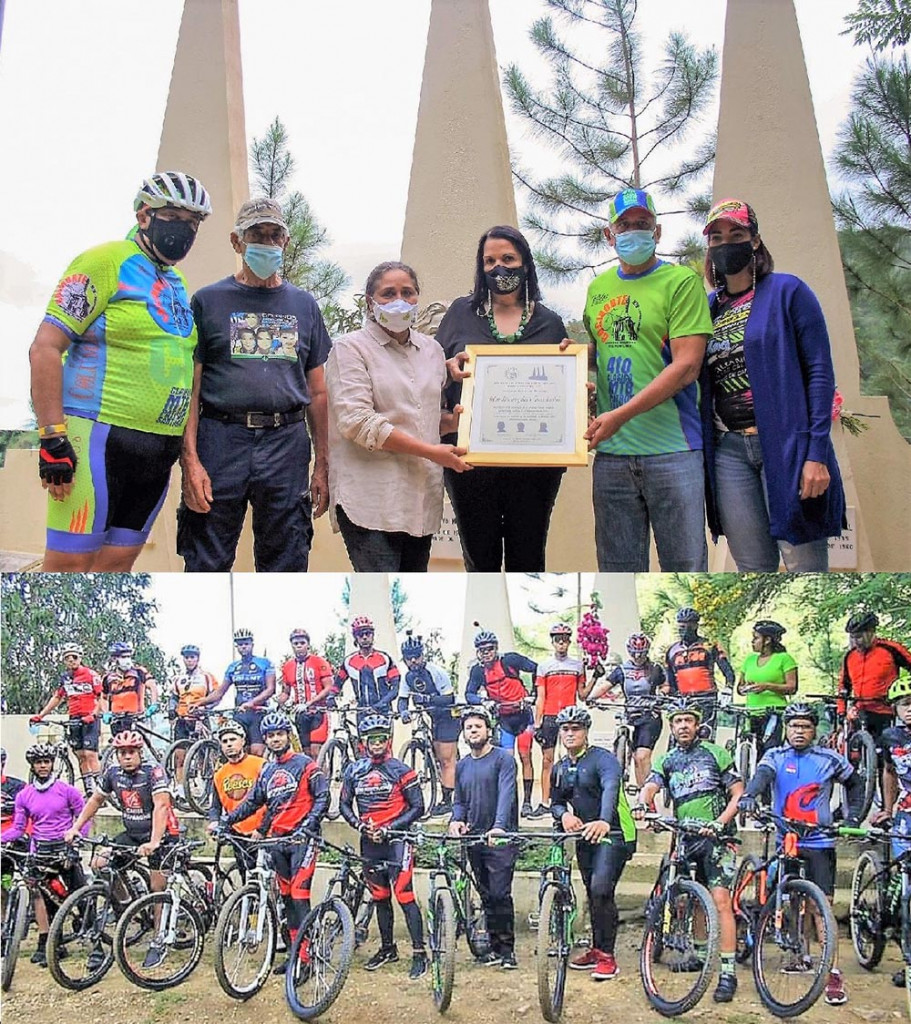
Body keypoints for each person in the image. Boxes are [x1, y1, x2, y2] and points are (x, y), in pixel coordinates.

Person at [29, 171, 211, 572]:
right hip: (98, 437)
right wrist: (52, 437)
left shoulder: (176, 281)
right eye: (174, 218)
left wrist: (186, 455)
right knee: (69, 568)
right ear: (145, 215)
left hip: (156, 450)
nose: (184, 231)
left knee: (118, 567)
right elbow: (45, 348)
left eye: (192, 224)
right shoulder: (104, 261)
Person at [178, 197, 331, 572]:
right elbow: (190, 390)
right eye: (256, 235)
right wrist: (190, 462)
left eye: (274, 234)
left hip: (286, 443)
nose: (266, 242)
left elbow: (318, 391)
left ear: (286, 242)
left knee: (287, 559)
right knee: (206, 560)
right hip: (221, 440)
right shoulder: (207, 301)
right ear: (237, 241)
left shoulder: (304, 305)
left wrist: (322, 464)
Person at [700, 199, 845, 571]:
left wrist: (816, 453)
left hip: (787, 447)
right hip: (729, 452)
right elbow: (669, 361)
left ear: (755, 241)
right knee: (751, 567)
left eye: (737, 234)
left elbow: (819, 373)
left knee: (804, 564)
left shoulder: (788, 292)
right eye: (716, 237)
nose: (725, 243)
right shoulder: (707, 309)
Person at [583, 188, 712, 572]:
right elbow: (606, 351)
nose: (633, 231)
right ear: (610, 234)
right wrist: (567, 361)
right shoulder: (598, 288)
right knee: (617, 571)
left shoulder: (681, 283)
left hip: (673, 451)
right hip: (612, 457)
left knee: (685, 569)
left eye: (643, 224)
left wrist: (620, 414)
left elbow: (687, 365)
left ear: (657, 232)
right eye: (625, 224)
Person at [438, 225, 569, 571]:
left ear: (525, 264)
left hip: (535, 464)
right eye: (490, 260)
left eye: (508, 258)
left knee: (528, 557)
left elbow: (564, 391)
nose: (499, 267)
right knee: (479, 557)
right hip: (470, 463)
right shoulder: (459, 314)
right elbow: (427, 374)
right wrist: (447, 368)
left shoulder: (550, 323)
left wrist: (572, 377)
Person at [326, 261, 471, 571]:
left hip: (419, 501)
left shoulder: (432, 351)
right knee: (382, 596)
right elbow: (357, 422)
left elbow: (426, 417)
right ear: (369, 301)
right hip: (370, 501)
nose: (399, 301)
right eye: (387, 293)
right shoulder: (349, 350)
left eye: (408, 292)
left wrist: (457, 422)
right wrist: (432, 451)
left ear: (418, 297)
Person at [738, 701, 866, 1006]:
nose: (799, 731)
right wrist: (750, 795)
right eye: (794, 725)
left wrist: (851, 818)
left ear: (814, 730)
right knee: (793, 900)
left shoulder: (829, 759)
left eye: (805, 726)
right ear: (786, 728)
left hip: (820, 841)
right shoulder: (775, 756)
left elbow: (856, 784)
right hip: (788, 839)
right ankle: (801, 955)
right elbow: (762, 777)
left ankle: (832, 972)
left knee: (822, 908)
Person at [636, 699, 744, 1003]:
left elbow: (738, 792)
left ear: (698, 726)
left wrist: (721, 823)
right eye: (678, 721)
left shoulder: (715, 753)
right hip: (685, 837)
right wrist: (645, 807)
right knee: (692, 899)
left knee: (720, 901)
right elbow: (650, 786)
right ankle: (698, 955)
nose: (683, 725)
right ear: (671, 727)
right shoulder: (667, 759)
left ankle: (727, 972)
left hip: (717, 838)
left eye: (688, 721)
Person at [219, 711, 328, 974]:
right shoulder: (267, 770)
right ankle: (295, 954)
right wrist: (226, 821)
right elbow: (255, 802)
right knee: (288, 900)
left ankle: (308, 959)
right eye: (270, 736)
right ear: (265, 739)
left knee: (300, 898)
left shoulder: (306, 765)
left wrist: (306, 827)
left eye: (280, 734)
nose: (275, 739)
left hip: (303, 840)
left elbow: (323, 798)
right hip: (278, 842)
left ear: (288, 736)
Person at [64, 730, 179, 967]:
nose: (127, 757)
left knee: (158, 888)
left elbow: (161, 806)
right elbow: (96, 800)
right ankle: (127, 904)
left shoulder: (153, 772)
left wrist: (155, 841)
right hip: (132, 833)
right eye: (122, 753)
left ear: (139, 753)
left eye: (131, 752)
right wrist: (75, 827)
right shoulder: (112, 773)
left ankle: (158, 939)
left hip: (161, 833)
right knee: (100, 864)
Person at [550, 705, 637, 981]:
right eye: (565, 729)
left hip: (615, 833)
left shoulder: (604, 759)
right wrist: (564, 816)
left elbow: (611, 788)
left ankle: (608, 957)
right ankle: (597, 949)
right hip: (586, 834)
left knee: (601, 888)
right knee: (592, 890)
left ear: (586, 731)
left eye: (576, 728)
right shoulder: (561, 767)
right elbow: (555, 802)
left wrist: (602, 820)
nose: (570, 733)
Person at [339, 713, 427, 979]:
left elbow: (418, 807)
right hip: (369, 841)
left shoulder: (402, 770)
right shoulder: (354, 770)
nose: (376, 743)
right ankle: (388, 949)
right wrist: (359, 825)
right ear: (363, 742)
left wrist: (390, 829)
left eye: (381, 738)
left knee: (404, 894)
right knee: (379, 897)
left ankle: (420, 952)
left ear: (388, 740)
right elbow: (344, 804)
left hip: (398, 841)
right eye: (371, 739)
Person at [448, 705, 520, 969]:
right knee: (486, 893)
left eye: (478, 726)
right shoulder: (463, 765)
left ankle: (507, 950)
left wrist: (500, 826)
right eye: (468, 728)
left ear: (489, 730)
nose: (473, 731)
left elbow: (506, 795)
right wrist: (456, 820)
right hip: (474, 838)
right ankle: (491, 946)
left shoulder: (503, 759)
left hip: (501, 838)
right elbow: (460, 801)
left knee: (501, 893)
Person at [1, 744, 87, 966]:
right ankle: (51, 945)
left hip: (65, 848)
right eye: (39, 762)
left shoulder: (67, 790)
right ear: (33, 765)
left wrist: (78, 839)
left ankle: (94, 943)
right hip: (40, 851)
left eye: (46, 762)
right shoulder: (24, 795)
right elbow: (19, 828)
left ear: (52, 764)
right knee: (46, 899)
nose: (42, 766)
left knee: (81, 895)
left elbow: (82, 816)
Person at [464, 628, 540, 818]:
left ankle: (528, 802)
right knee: (507, 760)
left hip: (523, 716)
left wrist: (533, 695)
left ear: (496, 648)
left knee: (525, 756)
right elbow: (469, 693)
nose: (486, 653)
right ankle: (509, 801)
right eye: (482, 650)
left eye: (489, 649)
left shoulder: (510, 660)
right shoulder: (478, 670)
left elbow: (536, 668)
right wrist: (484, 701)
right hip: (504, 719)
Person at [838, 610, 911, 797]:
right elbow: (843, 687)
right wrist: (841, 711)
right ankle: (851, 801)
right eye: (853, 637)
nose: (856, 641)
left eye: (860, 636)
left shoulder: (890, 649)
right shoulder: (850, 656)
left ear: (871, 632)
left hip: (886, 710)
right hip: (861, 709)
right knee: (849, 757)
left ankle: (887, 803)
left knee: (883, 759)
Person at [588, 632, 669, 788]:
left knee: (642, 756)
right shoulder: (621, 670)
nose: (638, 656)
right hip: (630, 714)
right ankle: (641, 792)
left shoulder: (655, 668)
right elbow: (605, 686)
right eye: (634, 652)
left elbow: (665, 685)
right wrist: (591, 698)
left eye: (642, 653)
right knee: (636, 758)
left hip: (650, 716)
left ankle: (648, 798)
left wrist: (662, 694)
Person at [532, 623, 593, 816]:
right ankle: (544, 802)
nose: (561, 644)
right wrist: (537, 721)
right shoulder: (544, 666)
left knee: (577, 758)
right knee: (547, 760)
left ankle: (577, 800)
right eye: (558, 640)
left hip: (570, 717)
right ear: (552, 642)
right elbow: (540, 696)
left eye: (565, 640)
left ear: (569, 642)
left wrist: (595, 678)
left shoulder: (577, 665)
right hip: (550, 716)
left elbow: (582, 694)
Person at [396, 631, 458, 817]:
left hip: (448, 715)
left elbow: (449, 698)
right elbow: (402, 698)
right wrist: (403, 711)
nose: (413, 661)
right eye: (409, 658)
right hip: (432, 717)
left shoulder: (436, 671)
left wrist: (428, 699)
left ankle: (447, 801)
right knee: (438, 757)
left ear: (422, 655)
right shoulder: (407, 677)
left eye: (416, 657)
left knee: (446, 760)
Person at [30, 641, 103, 794]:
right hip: (74, 718)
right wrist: (41, 715)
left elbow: (103, 697)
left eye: (74, 657)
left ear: (80, 658)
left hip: (90, 717)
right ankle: (89, 790)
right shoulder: (65, 678)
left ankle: (101, 791)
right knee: (80, 755)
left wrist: (94, 714)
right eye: (67, 658)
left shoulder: (91, 675)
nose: (71, 660)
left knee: (90, 754)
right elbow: (57, 698)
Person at [196, 628, 275, 757]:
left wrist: (252, 703)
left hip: (258, 713)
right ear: (236, 646)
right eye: (240, 644)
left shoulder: (264, 663)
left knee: (256, 753)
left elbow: (270, 689)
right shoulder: (233, 667)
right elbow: (219, 692)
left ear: (252, 645)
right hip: (240, 714)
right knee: (238, 752)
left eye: (246, 643)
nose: (243, 647)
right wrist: (200, 702)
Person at [879, 678, 911, 989]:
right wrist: (887, 809)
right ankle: (907, 959)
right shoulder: (890, 736)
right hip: (905, 815)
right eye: (904, 704)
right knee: (905, 890)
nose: (910, 710)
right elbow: (889, 771)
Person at [205, 720, 266, 882]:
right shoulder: (219, 774)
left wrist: (263, 828)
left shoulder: (260, 765)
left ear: (243, 741)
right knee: (246, 876)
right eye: (225, 742)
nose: (229, 744)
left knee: (265, 878)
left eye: (233, 739)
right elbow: (215, 807)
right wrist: (213, 821)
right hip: (237, 833)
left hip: (262, 832)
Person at [664, 607, 735, 739]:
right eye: (681, 625)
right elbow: (670, 680)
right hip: (683, 701)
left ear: (696, 625)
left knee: (705, 736)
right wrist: (667, 695)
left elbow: (727, 670)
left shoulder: (709, 645)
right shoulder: (672, 650)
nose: (684, 629)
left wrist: (728, 689)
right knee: (679, 738)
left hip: (707, 699)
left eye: (688, 625)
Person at [736, 620, 798, 759]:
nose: (752, 641)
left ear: (768, 640)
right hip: (751, 712)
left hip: (774, 712)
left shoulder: (784, 659)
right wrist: (746, 687)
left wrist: (767, 686)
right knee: (750, 751)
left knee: (771, 750)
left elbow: (792, 687)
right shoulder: (749, 660)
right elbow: (739, 688)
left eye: (756, 638)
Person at [166, 643, 218, 795]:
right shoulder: (178, 679)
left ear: (197, 659)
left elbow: (216, 696)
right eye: (187, 657)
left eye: (192, 657)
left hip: (199, 719)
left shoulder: (206, 677)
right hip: (182, 719)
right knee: (179, 757)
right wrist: (171, 709)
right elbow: (174, 697)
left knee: (203, 755)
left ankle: (205, 788)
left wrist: (206, 708)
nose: (189, 660)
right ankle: (181, 790)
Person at [277, 628, 335, 758]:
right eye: (295, 643)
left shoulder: (319, 661)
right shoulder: (287, 666)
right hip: (300, 714)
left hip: (318, 712)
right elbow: (286, 692)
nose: (299, 646)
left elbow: (329, 687)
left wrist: (310, 703)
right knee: (306, 754)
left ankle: (322, 778)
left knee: (316, 752)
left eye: (302, 643)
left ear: (308, 644)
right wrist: (278, 702)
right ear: (291, 645)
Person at [333, 616, 401, 727]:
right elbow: (337, 684)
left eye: (368, 634)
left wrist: (382, 703)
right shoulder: (348, 661)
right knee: (363, 744)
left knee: (382, 743)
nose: (364, 637)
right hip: (361, 711)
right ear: (355, 638)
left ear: (372, 636)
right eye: (360, 634)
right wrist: (331, 697)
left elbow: (396, 686)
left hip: (383, 710)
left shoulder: (385, 658)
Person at [101, 641, 158, 735]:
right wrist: (106, 712)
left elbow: (152, 686)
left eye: (128, 657)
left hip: (137, 717)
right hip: (117, 718)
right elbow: (103, 697)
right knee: (118, 746)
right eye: (123, 657)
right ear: (115, 659)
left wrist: (153, 704)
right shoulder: (108, 678)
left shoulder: (139, 672)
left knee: (138, 746)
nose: (127, 660)